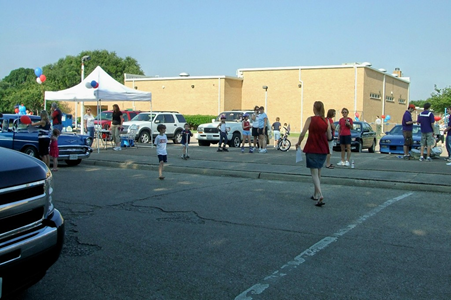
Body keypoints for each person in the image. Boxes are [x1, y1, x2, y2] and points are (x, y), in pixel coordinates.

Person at [295, 101, 331, 207]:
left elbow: (303, 133)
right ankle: (315, 194)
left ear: (314, 108)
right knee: (318, 172)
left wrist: (299, 142)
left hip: (312, 147)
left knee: (314, 173)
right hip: (323, 148)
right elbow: (329, 137)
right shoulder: (326, 121)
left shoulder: (310, 119)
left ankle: (320, 193)